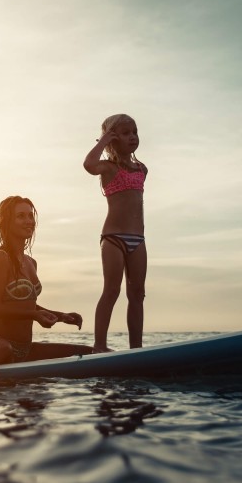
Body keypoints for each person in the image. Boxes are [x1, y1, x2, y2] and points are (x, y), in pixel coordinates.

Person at [0, 196, 92, 376]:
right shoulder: (0, 258)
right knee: (2, 347)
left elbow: (27, 305)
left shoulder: (31, 262)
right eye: (21, 216)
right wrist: (34, 315)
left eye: (31, 216)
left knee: (88, 352)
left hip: (25, 349)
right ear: (7, 222)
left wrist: (61, 316)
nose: (28, 221)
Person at [83, 114, 147, 352]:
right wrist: (103, 141)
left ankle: (136, 349)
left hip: (137, 240)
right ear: (112, 138)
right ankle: (99, 346)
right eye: (125, 133)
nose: (132, 136)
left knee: (137, 294)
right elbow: (88, 164)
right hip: (113, 239)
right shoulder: (107, 168)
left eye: (134, 132)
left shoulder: (142, 169)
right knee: (112, 290)